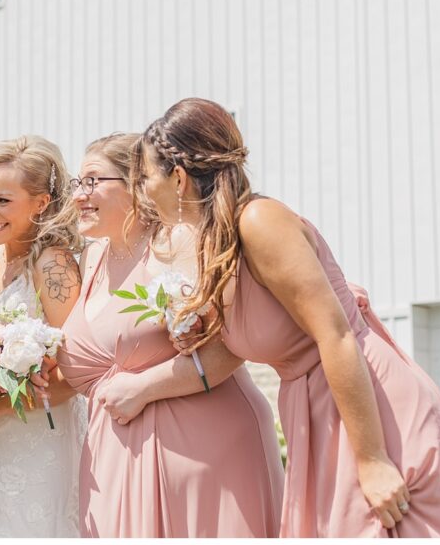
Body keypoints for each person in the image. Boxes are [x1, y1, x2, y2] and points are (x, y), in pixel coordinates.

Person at [134, 98, 440, 537]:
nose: (144, 190)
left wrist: (373, 459)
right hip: (314, 413)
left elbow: (335, 335)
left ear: (179, 178)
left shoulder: (260, 221)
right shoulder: (217, 244)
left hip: (369, 408)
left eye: (146, 176)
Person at [57, 132, 284, 537]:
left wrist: (143, 388)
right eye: (77, 183)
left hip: (202, 448)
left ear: (138, 183)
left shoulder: (179, 241)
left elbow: (232, 344)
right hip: (112, 457)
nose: (78, 195)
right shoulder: (90, 258)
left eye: (93, 181)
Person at [0, 135, 86, 537]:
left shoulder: (53, 264)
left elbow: (78, 373)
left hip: (38, 435)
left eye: (2, 201)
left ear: (41, 202)